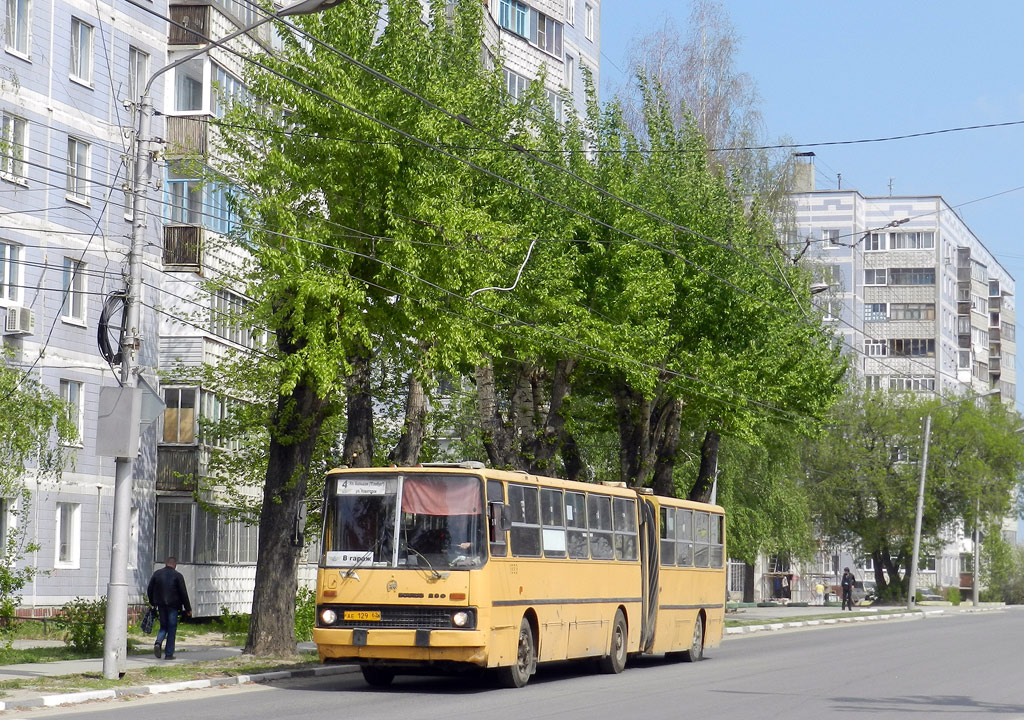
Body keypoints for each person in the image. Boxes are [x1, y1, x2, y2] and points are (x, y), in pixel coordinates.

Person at [147, 556, 192, 659]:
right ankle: (169, 654)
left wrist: (152, 602)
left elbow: (150, 589)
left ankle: (158, 642)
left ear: (166, 563)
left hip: (160, 605)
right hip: (173, 606)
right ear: (175, 565)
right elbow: (183, 593)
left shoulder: (157, 574)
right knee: (171, 628)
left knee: (163, 626)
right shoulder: (178, 576)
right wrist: (188, 608)